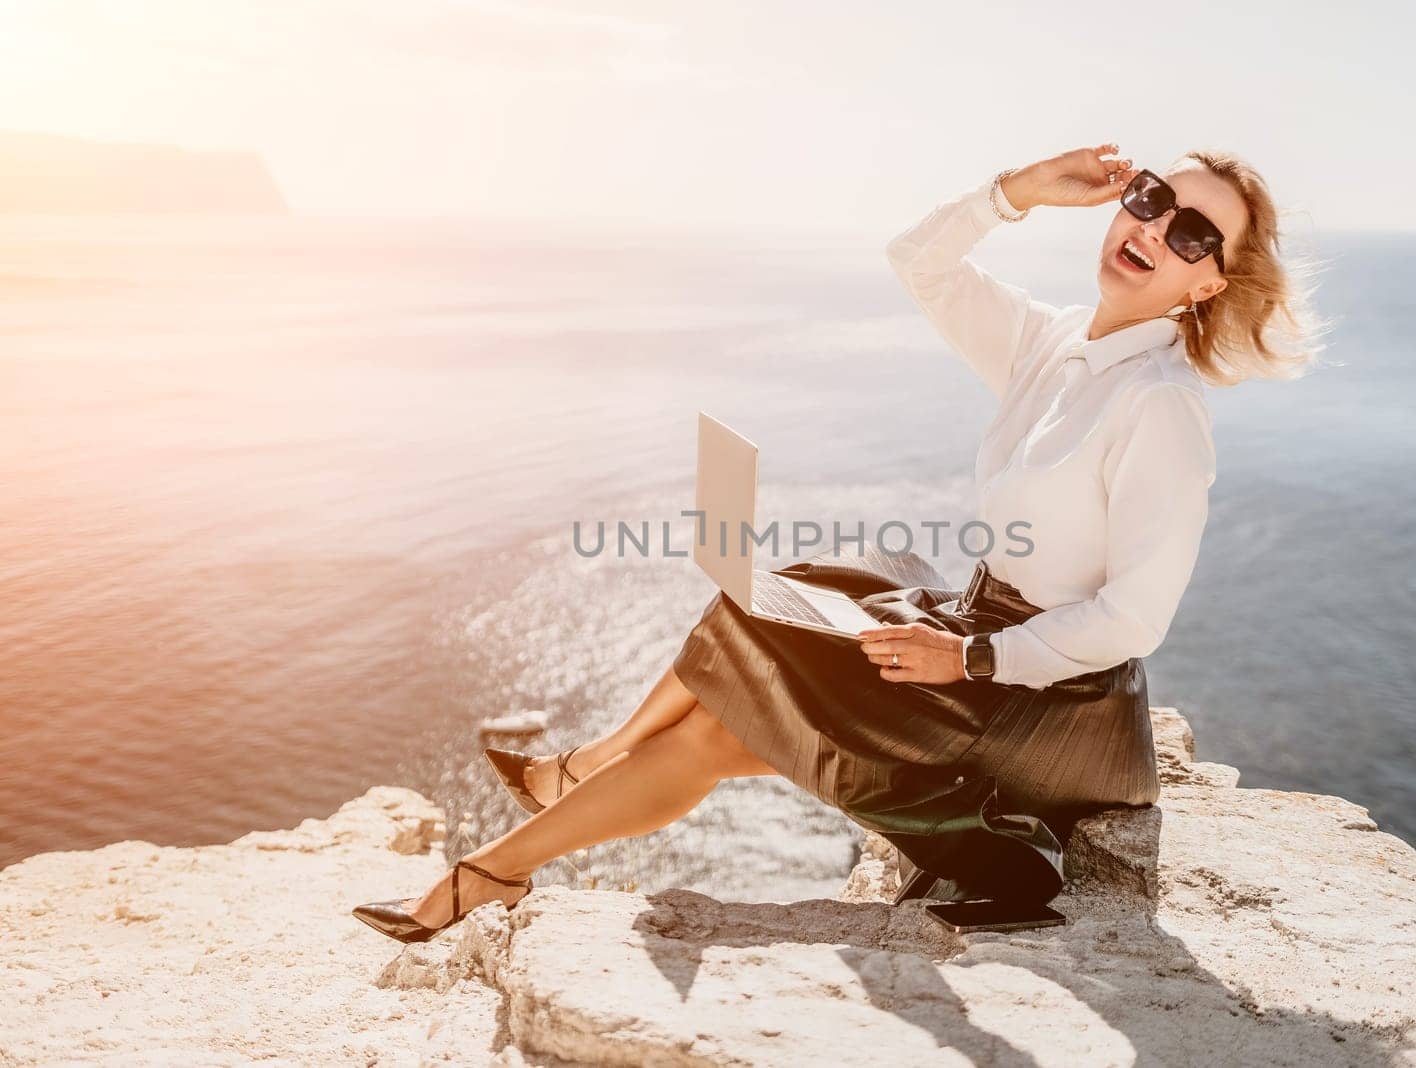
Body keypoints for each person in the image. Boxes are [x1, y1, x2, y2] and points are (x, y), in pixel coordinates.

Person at [353, 142, 1324, 943]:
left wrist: (972, 651)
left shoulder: (1161, 408)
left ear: (1210, 281)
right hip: (981, 645)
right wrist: (1016, 192)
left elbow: (1135, 618)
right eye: (1151, 197)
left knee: (755, 619)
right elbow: (920, 262)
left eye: (1190, 231)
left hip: (1052, 712)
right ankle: (492, 873)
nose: (1152, 226)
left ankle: (554, 798)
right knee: (721, 709)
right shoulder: (1056, 345)